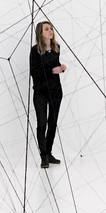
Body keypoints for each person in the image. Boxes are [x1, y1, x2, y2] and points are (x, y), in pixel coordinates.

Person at [29, 21, 66, 169]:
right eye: (46, 29)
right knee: (42, 124)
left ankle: (49, 153)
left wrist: (60, 69)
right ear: (40, 33)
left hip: (56, 91)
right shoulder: (35, 51)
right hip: (40, 92)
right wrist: (53, 71)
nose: (50, 31)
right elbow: (35, 72)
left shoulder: (57, 49)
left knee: (52, 123)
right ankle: (43, 156)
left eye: (51, 28)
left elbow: (54, 66)